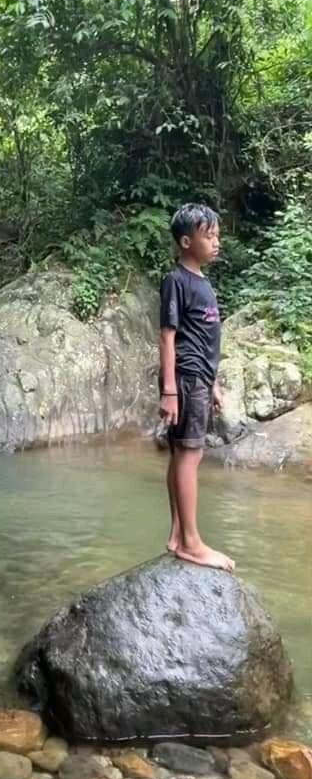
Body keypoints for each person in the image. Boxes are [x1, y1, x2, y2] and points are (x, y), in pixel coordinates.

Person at [158, 203, 234, 572]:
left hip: (200, 378)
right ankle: (191, 542)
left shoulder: (203, 281)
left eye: (217, 235)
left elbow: (206, 339)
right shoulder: (177, 280)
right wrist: (170, 390)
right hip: (186, 380)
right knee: (189, 455)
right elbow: (167, 337)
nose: (217, 242)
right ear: (186, 241)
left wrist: (214, 382)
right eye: (209, 236)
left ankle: (177, 535)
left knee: (183, 455)